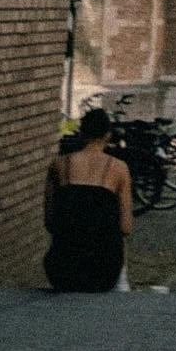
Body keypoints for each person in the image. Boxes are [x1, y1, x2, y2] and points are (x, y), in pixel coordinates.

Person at [43, 108, 132, 292]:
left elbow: (50, 222)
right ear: (108, 135)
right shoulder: (119, 169)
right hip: (104, 269)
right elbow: (125, 227)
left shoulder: (58, 165)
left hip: (62, 268)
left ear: (82, 133)